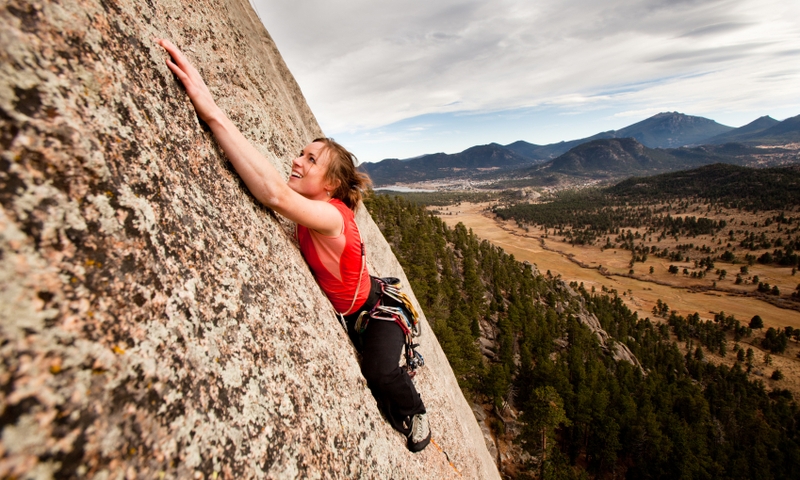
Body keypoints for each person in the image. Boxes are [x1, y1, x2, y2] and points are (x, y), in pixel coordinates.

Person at [156, 39, 431, 452]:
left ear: (332, 184)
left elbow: (274, 194)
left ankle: (416, 410)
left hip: (376, 314)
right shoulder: (316, 208)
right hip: (359, 304)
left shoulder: (334, 216)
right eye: (301, 153)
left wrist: (210, 110)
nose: (297, 161)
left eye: (311, 160)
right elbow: (271, 183)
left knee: (379, 373)